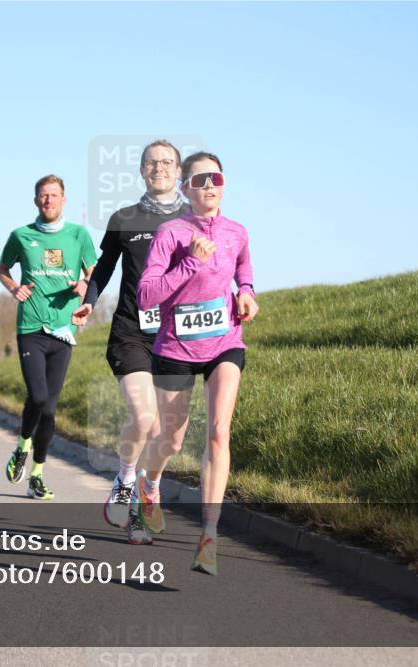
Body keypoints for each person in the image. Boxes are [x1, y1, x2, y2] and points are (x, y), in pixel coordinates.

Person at [136, 151, 259, 575]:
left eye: (216, 178)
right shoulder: (171, 233)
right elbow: (147, 295)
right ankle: (149, 486)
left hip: (225, 341)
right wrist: (191, 262)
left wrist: (247, 293)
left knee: (219, 432)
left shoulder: (237, 232)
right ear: (185, 188)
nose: (209, 185)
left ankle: (208, 536)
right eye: (200, 179)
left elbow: (244, 272)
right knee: (171, 440)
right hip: (175, 348)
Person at [72, 139, 189, 545]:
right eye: (152, 162)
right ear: (141, 171)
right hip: (131, 331)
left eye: (167, 162)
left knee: (169, 436)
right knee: (144, 419)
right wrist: (89, 301)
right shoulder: (125, 217)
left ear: (178, 172)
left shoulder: (195, 219)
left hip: (177, 337)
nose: (160, 167)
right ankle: (125, 480)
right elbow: (104, 268)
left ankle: (148, 487)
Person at [0, 174, 97, 500]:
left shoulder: (79, 235)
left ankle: (37, 475)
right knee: (37, 397)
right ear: (36, 200)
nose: (48, 200)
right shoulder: (21, 236)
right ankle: (22, 446)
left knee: (50, 411)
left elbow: (93, 274)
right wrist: (15, 288)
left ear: (63, 200)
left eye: (54, 195)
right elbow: (1, 268)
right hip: (31, 328)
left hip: (63, 330)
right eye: (43, 196)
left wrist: (84, 287)